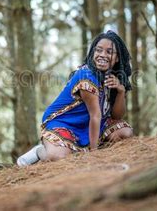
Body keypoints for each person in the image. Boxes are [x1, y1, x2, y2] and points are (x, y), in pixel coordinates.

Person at [17, 30, 134, 166]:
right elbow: (95, 115)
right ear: (92, 53)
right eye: (99, 50)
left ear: (117, 58)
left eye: (109, 52)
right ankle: (40, 151)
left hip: (90, 125)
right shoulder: (86, 76)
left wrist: (120, 91)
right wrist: (95, 155)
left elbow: (116, 115)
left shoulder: (112, 77)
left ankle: (81, 150)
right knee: (59, 157)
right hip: (64, 123)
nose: (102, 55)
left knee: (125, 133)